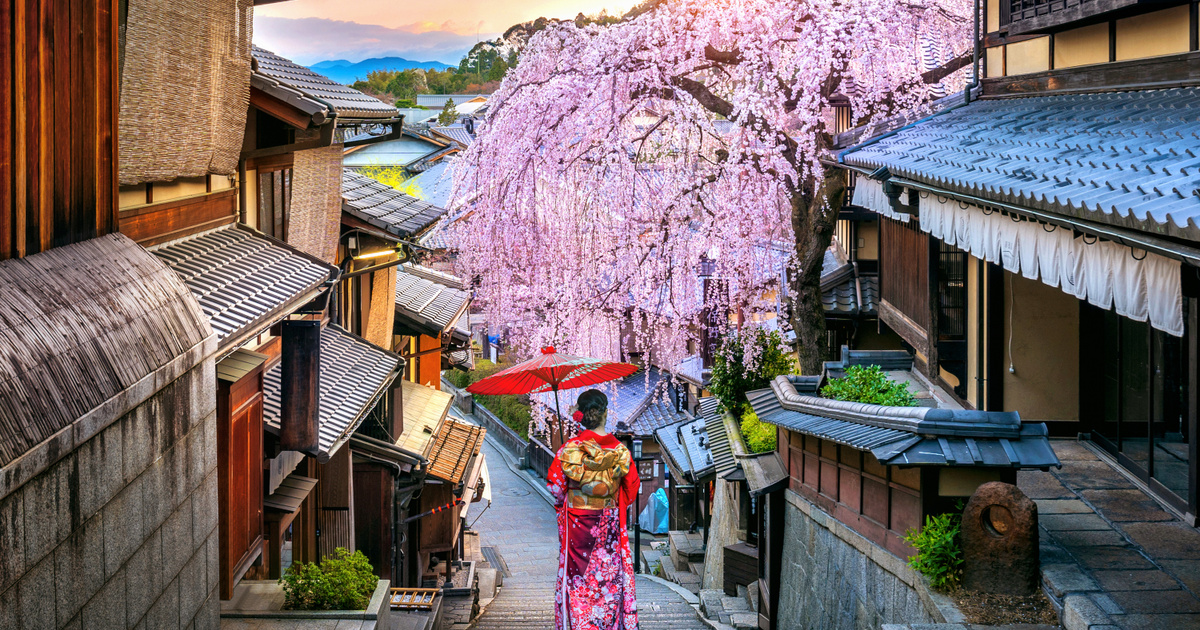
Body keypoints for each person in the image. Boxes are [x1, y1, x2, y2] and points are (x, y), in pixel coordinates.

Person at [547, 389, 640, 630]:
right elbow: (630, 490)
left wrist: (574, 494)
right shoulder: (620, 450)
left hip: (578, 527)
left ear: (581, 415)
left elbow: (556, 489)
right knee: (608, 580)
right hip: (608, 523)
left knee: (578, 580)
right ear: (604, 414)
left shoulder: (569, 450)